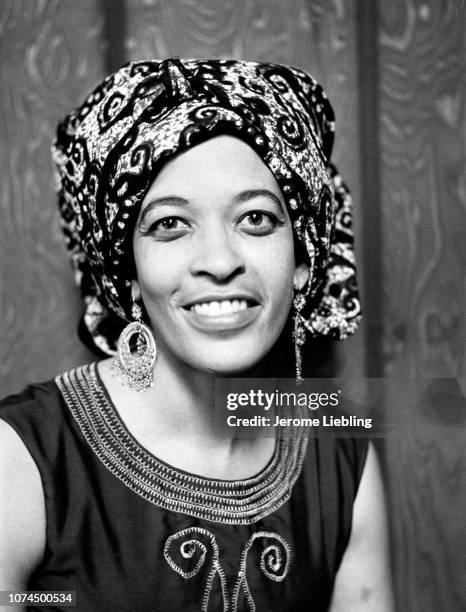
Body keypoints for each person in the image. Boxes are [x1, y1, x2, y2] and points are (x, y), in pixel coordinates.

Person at [0, 59, 393, 611]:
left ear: (304, 259)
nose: (218, 261)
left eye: (255, 219)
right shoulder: (20, 461)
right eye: (169, 225)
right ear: (126, 273)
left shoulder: (342, 453)